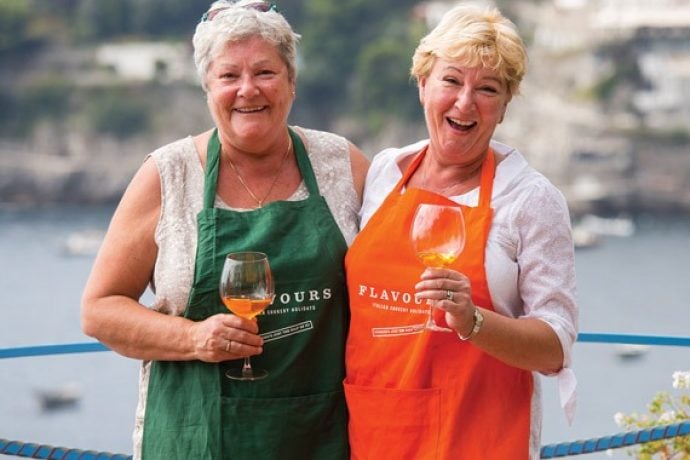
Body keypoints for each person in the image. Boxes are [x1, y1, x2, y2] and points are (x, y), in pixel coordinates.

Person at [80, 1, 369, 458]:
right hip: (196, 437)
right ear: (207, 89)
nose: (247, 90)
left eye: (265, 73)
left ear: (292, 83)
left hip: (321, 436)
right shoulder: (169, 173)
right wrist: (194, 339)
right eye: (229, 76)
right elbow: (99, 311)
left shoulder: (340, 162)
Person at [343, 4, 578, 459]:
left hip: (479, 440)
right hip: (376, 436)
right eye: (451, 81)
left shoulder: (530, 200)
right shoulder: (384, 174)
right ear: (423, 85)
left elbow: (555, 346)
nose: (465, 102)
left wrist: (473, 322)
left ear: (505, 106)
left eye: (487, 88)